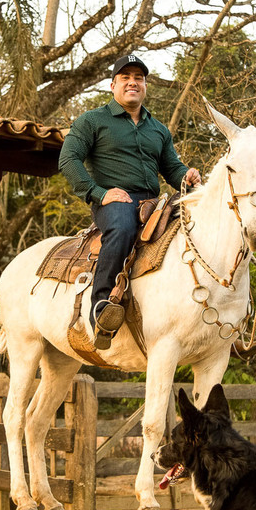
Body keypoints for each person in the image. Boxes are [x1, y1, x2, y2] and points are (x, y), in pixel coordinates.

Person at [58, 55, 202, 349]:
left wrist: (187, 176)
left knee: (194, 227)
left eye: (139, 77)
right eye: (125, 77)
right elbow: (68, 159)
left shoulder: (158, 129)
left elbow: (171, 167)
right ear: (113, 85)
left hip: (153, 203)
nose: (133, 82)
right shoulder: (92, 120)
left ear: (145, 86)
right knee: (122, 229)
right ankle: (100, 307)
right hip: (114, 201)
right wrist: (99, 193)